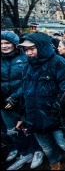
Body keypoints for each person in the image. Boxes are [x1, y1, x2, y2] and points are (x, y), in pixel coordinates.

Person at [16, 32, 65, 170]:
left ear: (42, 47)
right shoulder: (27, 66)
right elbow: (26, 92)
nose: (28, 53)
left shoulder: (59, 63)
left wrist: (55, 110)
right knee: (46, 147)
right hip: (34, 116)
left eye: (32, 49)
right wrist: (23, 116)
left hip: (56, 117)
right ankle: (57, 165)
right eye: (26, 50)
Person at [1, 31, 44, 170]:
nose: (4, 46)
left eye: (7, 43)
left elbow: (28, 80)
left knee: (29, 127)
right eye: (1, 43)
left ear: (14, 44)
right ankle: (24, 153)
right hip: (3, 102)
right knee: (12, 130)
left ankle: (38, 151)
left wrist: (15, 97)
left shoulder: (25, 58)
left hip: (23, 100)